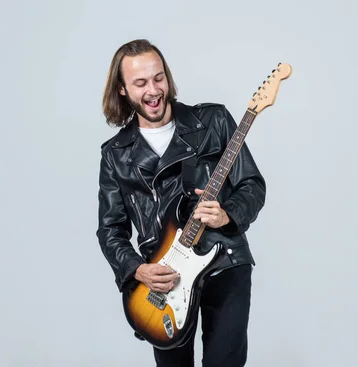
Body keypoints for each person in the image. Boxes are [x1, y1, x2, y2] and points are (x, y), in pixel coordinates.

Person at [96, 39, 266, 367]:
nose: (153, 90)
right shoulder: (115, 155)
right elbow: (110, 230)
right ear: (122, 90)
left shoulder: (213, 121)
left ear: (168, 77)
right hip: (165, 277)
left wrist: (227, 215)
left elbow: (252, 185)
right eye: (140, 83)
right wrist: (137, 269)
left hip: (223, 262)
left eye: (158, 78)